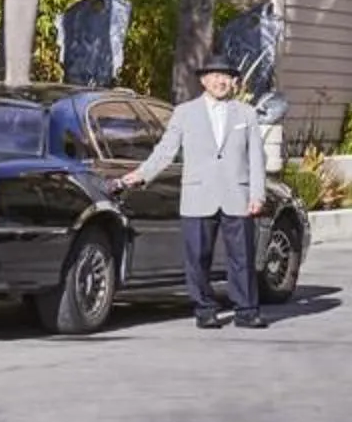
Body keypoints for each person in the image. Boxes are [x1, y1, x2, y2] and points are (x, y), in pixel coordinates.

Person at [114, 57, 269, 330]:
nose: (221, 81)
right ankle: (205, 308)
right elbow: (166, 149)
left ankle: (246, 310)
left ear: (233, 81)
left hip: (237, 194)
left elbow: (256, 158)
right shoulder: (185, 112)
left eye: (226, 76)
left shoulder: (245, 114)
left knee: (242, 256)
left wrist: (257, 194)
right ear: (203, 80)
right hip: (199, 195)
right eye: (215, 76)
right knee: (197, 256)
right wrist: (141, 174)